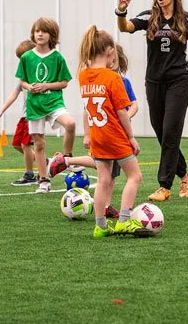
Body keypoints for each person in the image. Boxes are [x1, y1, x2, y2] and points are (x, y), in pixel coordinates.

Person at [115, 0, 188, 202]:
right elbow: (125, 28)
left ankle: (164, 186)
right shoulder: (149, 17)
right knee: (162, 133)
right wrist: (121, 11)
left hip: (178, 82)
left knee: (170, 132)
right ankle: (185, 175)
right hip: (154, 82)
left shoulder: (187, 19)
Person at [75, 26, 153, 238]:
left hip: (98, 136)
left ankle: (100, 226)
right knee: (135, 176)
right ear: (110, 51)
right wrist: (131, 137)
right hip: (114, 135)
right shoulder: (112, 78)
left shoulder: (83, 76)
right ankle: (124, 221)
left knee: (104, 180)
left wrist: (88, 134)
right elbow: (122, 112)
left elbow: (87, 108)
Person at [49, 42, 139, 218]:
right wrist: (88, 134)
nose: (112, 63)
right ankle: (67, 162)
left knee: (108, 175)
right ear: (108, 56)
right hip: (114, 135)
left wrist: (128, 115)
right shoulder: (110, 80)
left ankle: (103, 212)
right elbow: (92, 110)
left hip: (106, 132)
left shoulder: (116, 80)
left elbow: (133, 104)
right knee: (121, 174)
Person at [16, 17, 76, 194]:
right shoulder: (27, 57)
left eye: (44, 31)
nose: (40, 34)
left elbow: (65, 82)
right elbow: (22, 81)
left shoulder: (57, 57)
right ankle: (43, 180)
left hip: (54, 102)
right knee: (39, 144)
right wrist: (30, 87)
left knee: (71, 124)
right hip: (34, 106)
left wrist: (47, 86)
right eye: (37, 31)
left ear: (52, 35)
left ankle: (67, 158)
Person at [0, 39, 38, 185]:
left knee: (25, 145)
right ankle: (46, 162)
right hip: (24, 116)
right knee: (17, 144)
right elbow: (14, 94)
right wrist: (0, 111)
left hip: (33, 114)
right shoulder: (24, 77)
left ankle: (30, 175)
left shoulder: (37, 74)